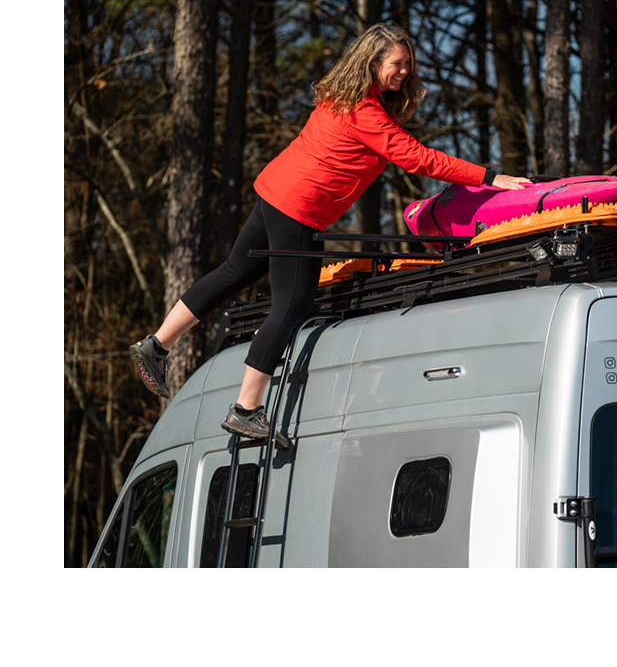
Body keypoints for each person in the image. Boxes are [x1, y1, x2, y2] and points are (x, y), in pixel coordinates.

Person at [129, 23, 530, 440]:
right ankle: (246, 408)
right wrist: (489, 178)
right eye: (397, 64)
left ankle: (157, 344)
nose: (405, 72)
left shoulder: (342, 97)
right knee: (293, 303)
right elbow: (416, 159)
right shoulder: (365, 113)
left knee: (235, 271)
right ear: (373, 63)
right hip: (298, 207)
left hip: (275, 192)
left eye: (409, 64)